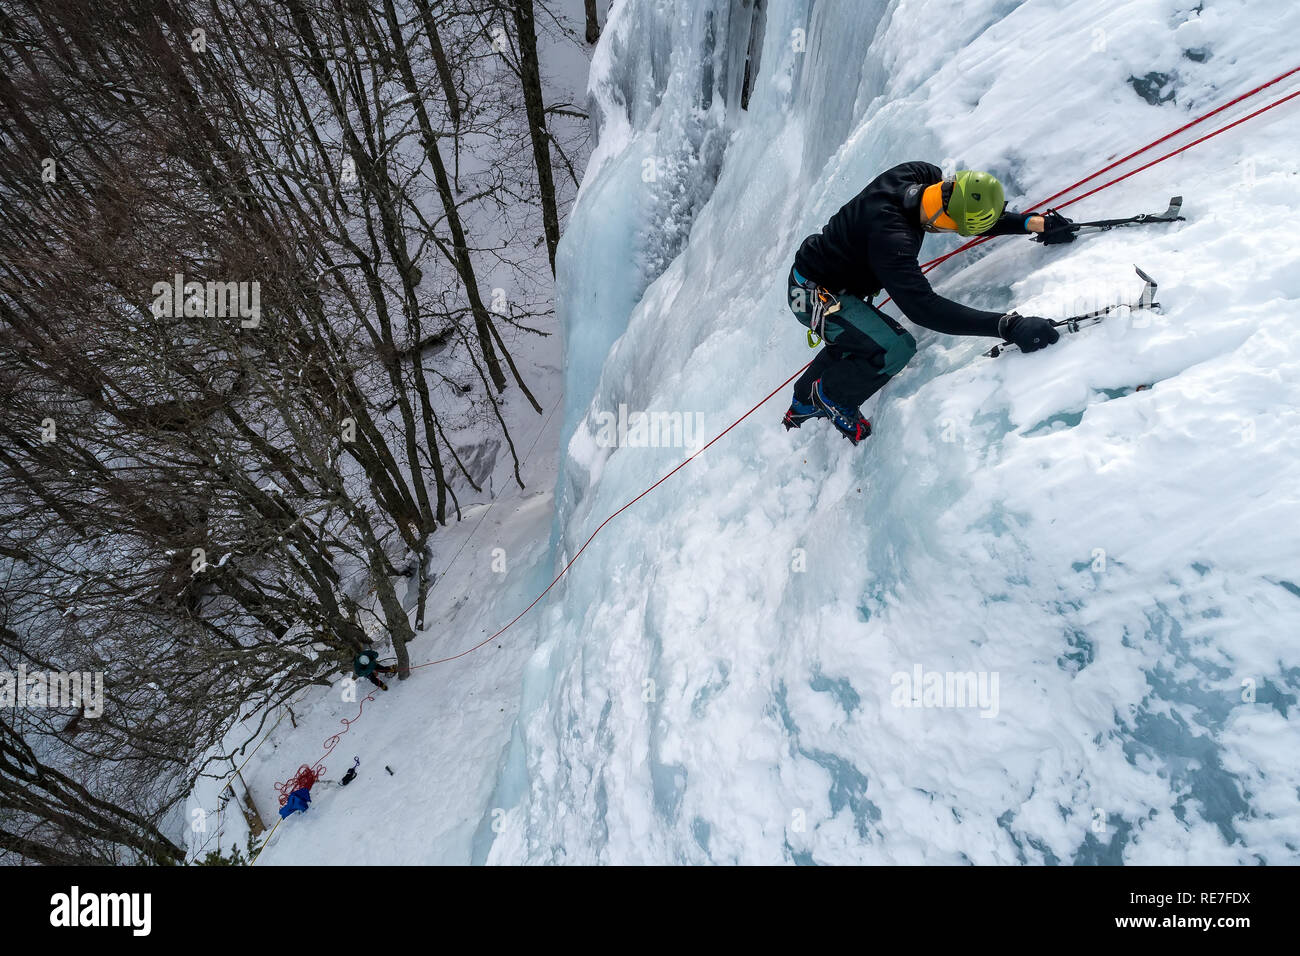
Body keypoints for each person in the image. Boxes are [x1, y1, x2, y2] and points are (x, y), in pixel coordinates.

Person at [783, 163, 1075, 444]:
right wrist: (1009, 326)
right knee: (895, 347)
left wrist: (1032, 223)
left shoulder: (921, 175)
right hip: (810, 297)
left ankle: (804, 398)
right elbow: (924, 309)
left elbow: (962, 209)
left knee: (863, 338)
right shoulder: (892, 237)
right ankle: (834, 396)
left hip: (823, 279)